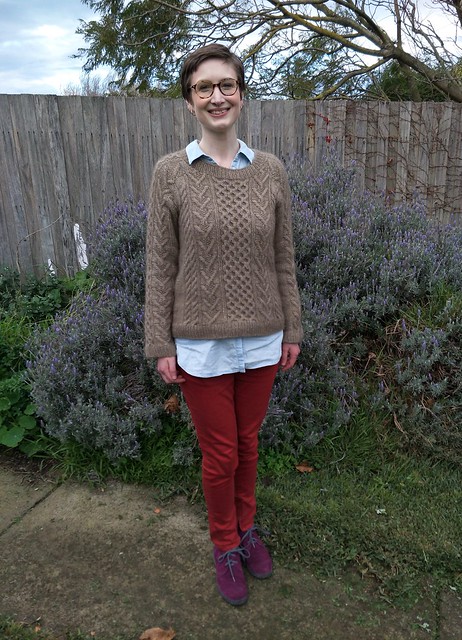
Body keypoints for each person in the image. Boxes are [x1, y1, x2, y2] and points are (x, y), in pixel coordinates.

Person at [144, 44, 303, 606]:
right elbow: (161, 265)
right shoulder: (171, 173)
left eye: (227, 85)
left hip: (263, 337)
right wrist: (159, 341)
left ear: (242, 92)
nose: (217, 96)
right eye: (204, 87)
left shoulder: (271, 172)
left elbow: (284, 257)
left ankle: (246, 528)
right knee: (220, 454)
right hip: (200, 344)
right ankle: (224, 544)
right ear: (190, 102)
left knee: (248, 444)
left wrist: (293, 329)